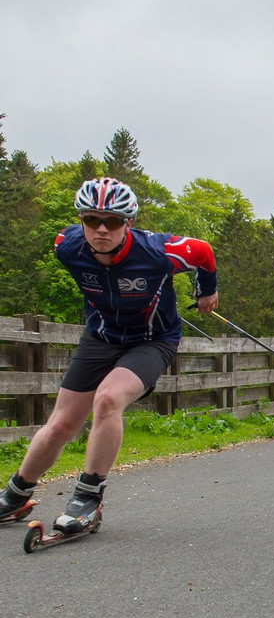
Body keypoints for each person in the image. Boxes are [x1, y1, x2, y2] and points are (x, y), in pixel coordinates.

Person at [0, 178, 218, 533]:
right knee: (61, 424)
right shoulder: (66, 247)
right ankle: (15, 495)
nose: (102, 229)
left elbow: (204, 252)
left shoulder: (158, 251)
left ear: (128, 223)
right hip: (101, 337)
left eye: (113, 221)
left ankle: (87, 498)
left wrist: (206, 291)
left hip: (151, 340)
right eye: (92, 220)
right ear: (81, 220)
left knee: (108, 399)